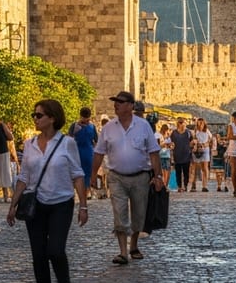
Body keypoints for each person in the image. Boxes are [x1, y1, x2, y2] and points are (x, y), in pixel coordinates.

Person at [7, 99, 87, 283]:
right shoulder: (30, 145)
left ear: (52, 118)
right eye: (34, 115)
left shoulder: (67, 143)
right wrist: (13, 203)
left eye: (39, 115)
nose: (35, 118)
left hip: (61, 203)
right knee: (38, 254)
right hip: (36, 205)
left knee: (56, 250)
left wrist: (83, 206)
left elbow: (77, 174)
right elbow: (24, 176)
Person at [91, 91, 163, 265]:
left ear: (130, 106)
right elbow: (99, 152)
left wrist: (158, 175)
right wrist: (93, 174)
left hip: (140, 177)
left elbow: (153, 153)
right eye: (115, 102)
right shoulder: (108, 128)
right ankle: (123, 251)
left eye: (120, 102)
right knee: (119, 212)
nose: (116, 105)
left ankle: (134, 245)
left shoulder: (143, 125)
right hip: (116, 177)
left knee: (139, 213)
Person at [68, 107, 98, 197]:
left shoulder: (74, 125)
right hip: (88, 152)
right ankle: (86, 192)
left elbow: (69, 138)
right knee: (87, 173)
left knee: (79, 172)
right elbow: (96, 141)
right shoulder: (92, 127)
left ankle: (83, 193)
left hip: (77, 152)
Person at [169, 117, 194, 192]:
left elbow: (192, 141)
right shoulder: (174, 133)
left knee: (186, 172)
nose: (181, 124)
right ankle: (179, 186)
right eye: (179, 122)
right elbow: (171, 142)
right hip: (177, 154)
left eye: (182, 122)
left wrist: (192, 147)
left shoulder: (188, 132)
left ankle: (186, 186)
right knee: (178, 172)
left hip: (186, 154)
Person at [191, 118, 215, 192]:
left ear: (204, 123)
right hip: (197, 150)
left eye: (202, 123)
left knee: (205, 168)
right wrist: (196, 143)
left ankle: (204, 186)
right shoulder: (195, 131)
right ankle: (193, 184)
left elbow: (211, 140)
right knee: (194, 168)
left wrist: (205, 144)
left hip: (205, 150)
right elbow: (192, 141)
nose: (201, 124)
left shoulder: (207, 131)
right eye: (199, 123)